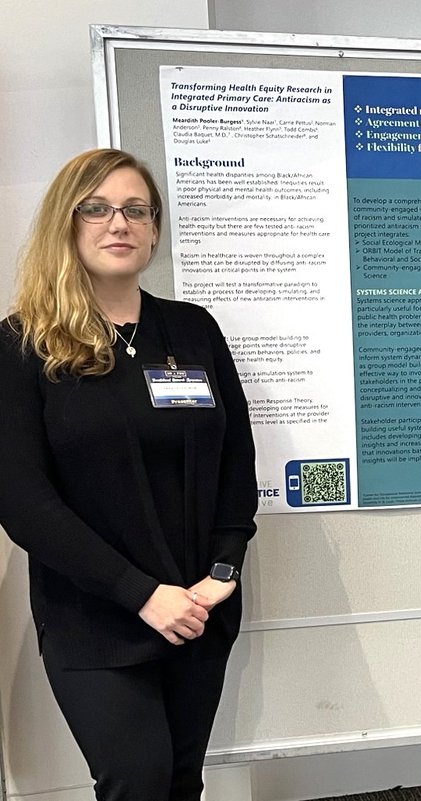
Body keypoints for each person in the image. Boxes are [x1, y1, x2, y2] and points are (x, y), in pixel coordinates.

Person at [0, 148, 257, 800]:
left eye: (136, 209)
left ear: (154, 228)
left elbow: (236, 457)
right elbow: (22, 499)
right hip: (95, 613)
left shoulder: (193, 329)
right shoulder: (24, 344)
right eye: (98, 208)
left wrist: (223, 571)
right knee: (136, 781)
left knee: (179, 780)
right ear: (69, 220)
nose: (120, 222)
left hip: (198, 609)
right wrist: (140, 591)